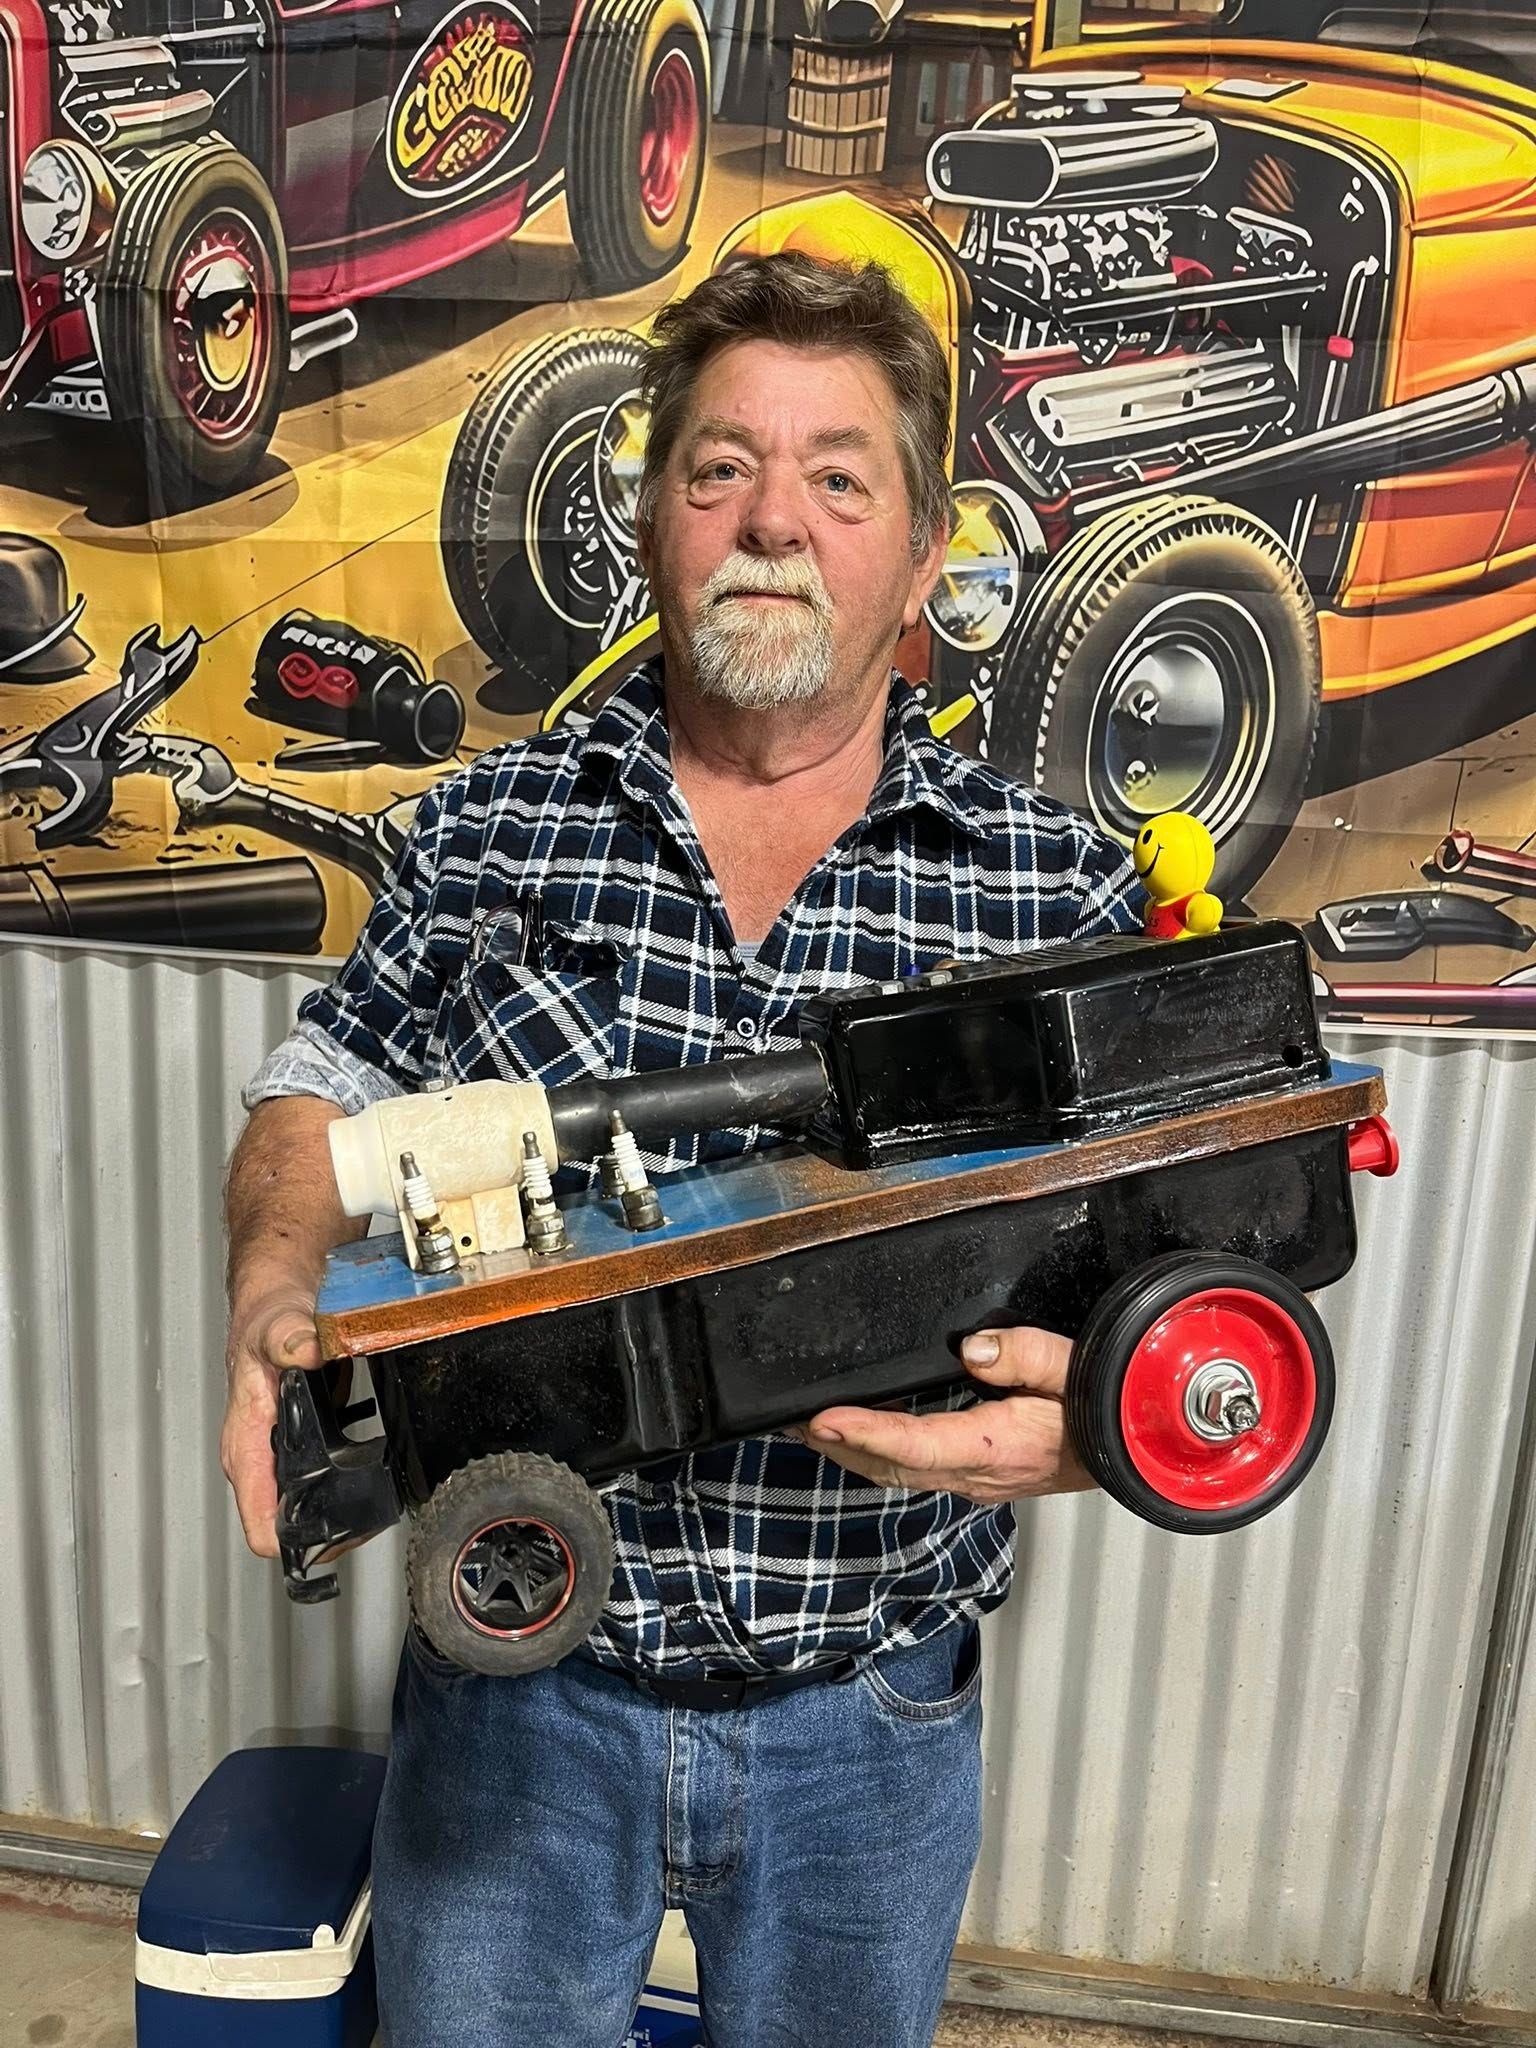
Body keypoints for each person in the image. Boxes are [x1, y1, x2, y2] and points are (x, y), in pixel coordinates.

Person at [221, 252, 1140, 2048]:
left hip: (867, 1730)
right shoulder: (490, 831)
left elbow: (1185, 1257)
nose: (772, 521)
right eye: (720, 469)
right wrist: (271, 1280)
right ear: (652, 513)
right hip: (516, 1699)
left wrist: (1103, 1411)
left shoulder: (1052, 886)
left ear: (931, 550)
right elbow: (315, 1091)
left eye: (838, 475)